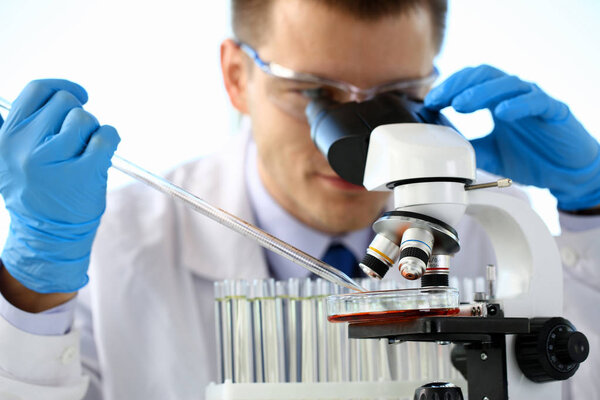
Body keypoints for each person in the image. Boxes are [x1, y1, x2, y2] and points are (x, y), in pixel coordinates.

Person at [0, 0, 598, 399]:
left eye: (395, 97)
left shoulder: (493, 232)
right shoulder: (116, 246)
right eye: (315, 94)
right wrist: (34, 293)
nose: (357, 144)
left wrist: (591, 211)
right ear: (237, 77)